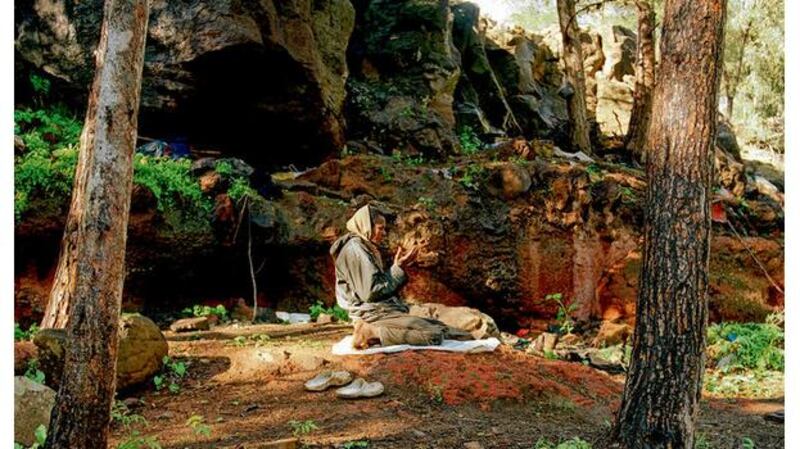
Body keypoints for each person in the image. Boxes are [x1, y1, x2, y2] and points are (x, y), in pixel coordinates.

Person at [330, 205, 499, 346]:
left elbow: (375, 286)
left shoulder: (363, 246)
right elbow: (371, 292)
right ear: (367, 225)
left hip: (384, 308)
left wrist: (399, 267)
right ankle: (371, 332)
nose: (383, 233)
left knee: (447, 328)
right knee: (432, 334)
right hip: (371, 314)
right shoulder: (355, 249)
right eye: (380, 229)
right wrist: (397, 269)